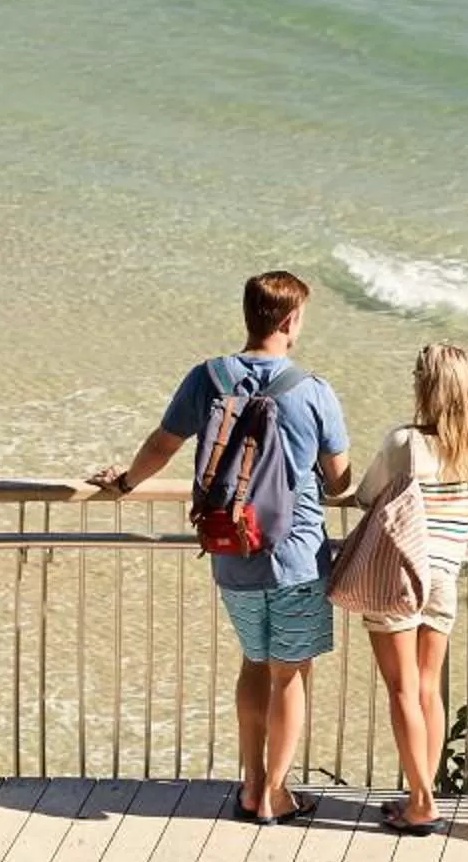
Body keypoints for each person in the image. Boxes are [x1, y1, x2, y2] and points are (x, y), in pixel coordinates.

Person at [89, 270, 351, 824]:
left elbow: (163, 445)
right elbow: (340, 478)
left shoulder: (207, 378)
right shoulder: (313, 390)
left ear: (249, 316)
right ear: (290, 320)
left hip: (231, 548)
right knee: (290, 673)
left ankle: (251, 784)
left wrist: (126, 483)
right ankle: (275, 795)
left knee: (255, 661)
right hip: (296, 556)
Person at [351, 341, 468, 837]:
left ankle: (422, 803)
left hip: (399, 575)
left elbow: (365, 496)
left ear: (426, 387)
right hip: (445, 575)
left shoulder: (404, 443)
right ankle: (421, 794)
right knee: (428, 688)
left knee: (402, 690)